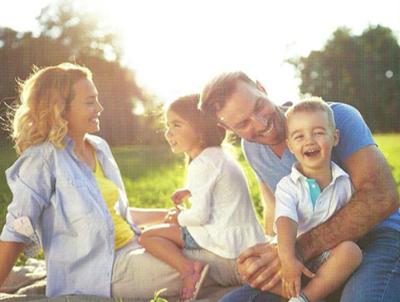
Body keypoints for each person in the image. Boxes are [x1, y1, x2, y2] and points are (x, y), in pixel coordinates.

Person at [0, 63, 240, 299]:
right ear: (60, 109)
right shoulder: (42, 159)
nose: (100, 107)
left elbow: (114, 216)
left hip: (136, 246)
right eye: (90, 101)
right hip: (103, 272)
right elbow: (19, 227)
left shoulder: (98, 147)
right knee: (211, 265)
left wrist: (167, 215)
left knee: (219, 247)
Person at [198, 71, 400, 302]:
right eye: (243, 123)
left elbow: (381, 196)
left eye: (259, 106)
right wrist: (268, 258)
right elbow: (276, 210)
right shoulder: (252, 149)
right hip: (317, 255)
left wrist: (298, 250)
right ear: (226, 128)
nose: (262, 124)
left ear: (261, 88)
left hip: (377, 236)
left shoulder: (336, 117)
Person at [139, 94, 265, 301]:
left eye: (176, 125)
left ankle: (189, 270)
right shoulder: (218, 156)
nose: (168, 133)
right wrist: (189, 191)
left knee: (148, 236)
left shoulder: (202, 163)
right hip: (246, 244)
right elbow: (219, 190)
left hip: (229, 255)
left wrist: (177, 218)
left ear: (200, 130)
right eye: (167, 126)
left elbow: (199, 216)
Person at [274, 97, 362, 302]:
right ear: (290, 146)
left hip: (330, 259)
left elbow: (353, 224)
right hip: (295, 256)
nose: (309, 141)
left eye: (318, 133)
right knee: (265, 266)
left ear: (335, 138)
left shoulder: (345, 183)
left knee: (352, 251)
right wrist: (288, 259)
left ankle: (304, 298)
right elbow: (285, 221)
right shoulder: (287, 186)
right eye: (299, 136)